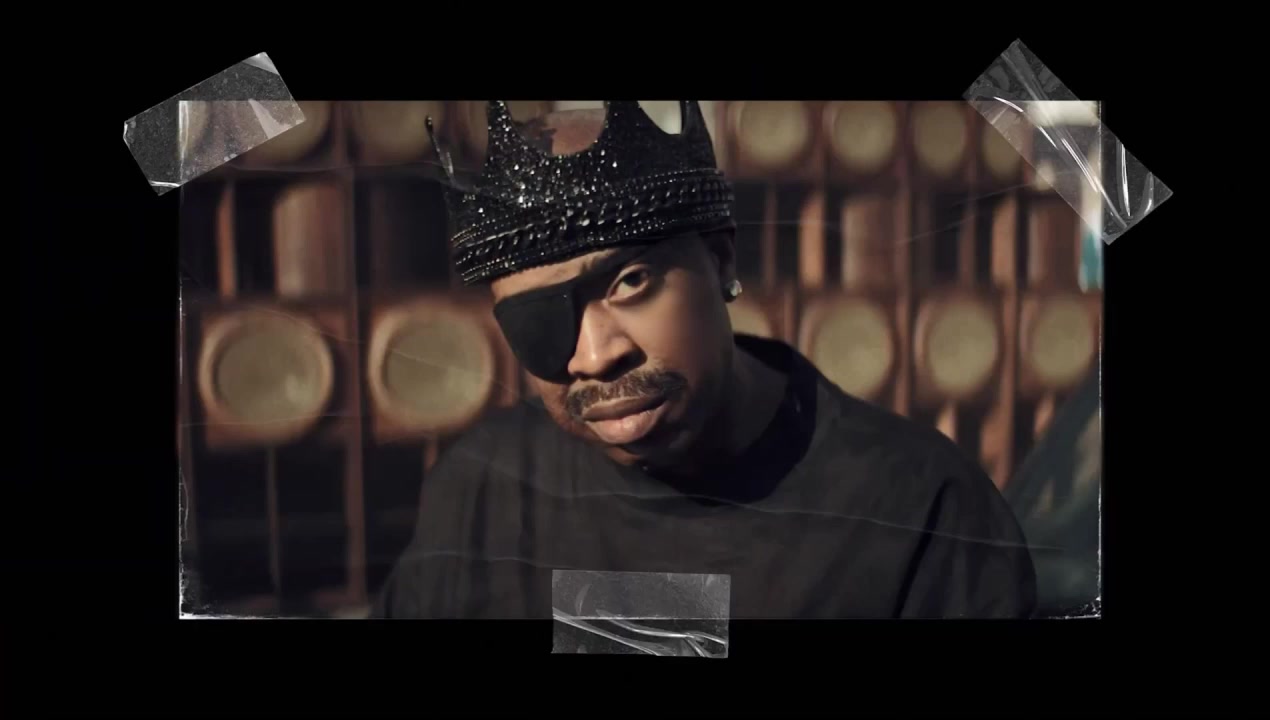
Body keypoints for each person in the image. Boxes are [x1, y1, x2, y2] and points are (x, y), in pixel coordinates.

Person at [370, 101, 1036, 620]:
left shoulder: (918, 509)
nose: (597, 355)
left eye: (630, 282)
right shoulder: (483, 495)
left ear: (719, 259)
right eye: (539, 318)